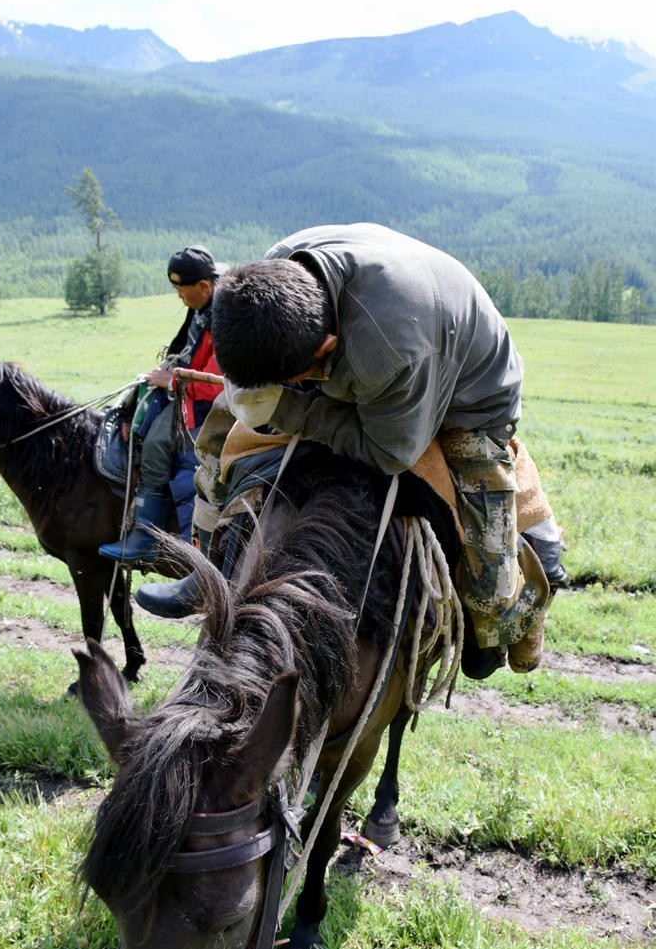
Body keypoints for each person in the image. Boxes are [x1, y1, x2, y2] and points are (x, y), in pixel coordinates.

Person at [135, 223, 567, 677]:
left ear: (326, 348)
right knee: (221, 432)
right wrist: (248, 393)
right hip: (369, 350)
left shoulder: (391, 352)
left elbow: (389, 452)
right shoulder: (273, 275)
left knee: (487, 575)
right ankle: (210, 567)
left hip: (461, 392)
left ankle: (513, 613)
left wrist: (290, 409)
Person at [99, 245, 225, 563]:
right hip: (188, 396)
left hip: (208, 410)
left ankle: (148, 536)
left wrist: (169, 381)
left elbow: (215, 383)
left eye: (183, 292)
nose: (180, 298)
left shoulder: (224, 318)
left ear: (204, 287)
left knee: (157, 442)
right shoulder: (203, 308)